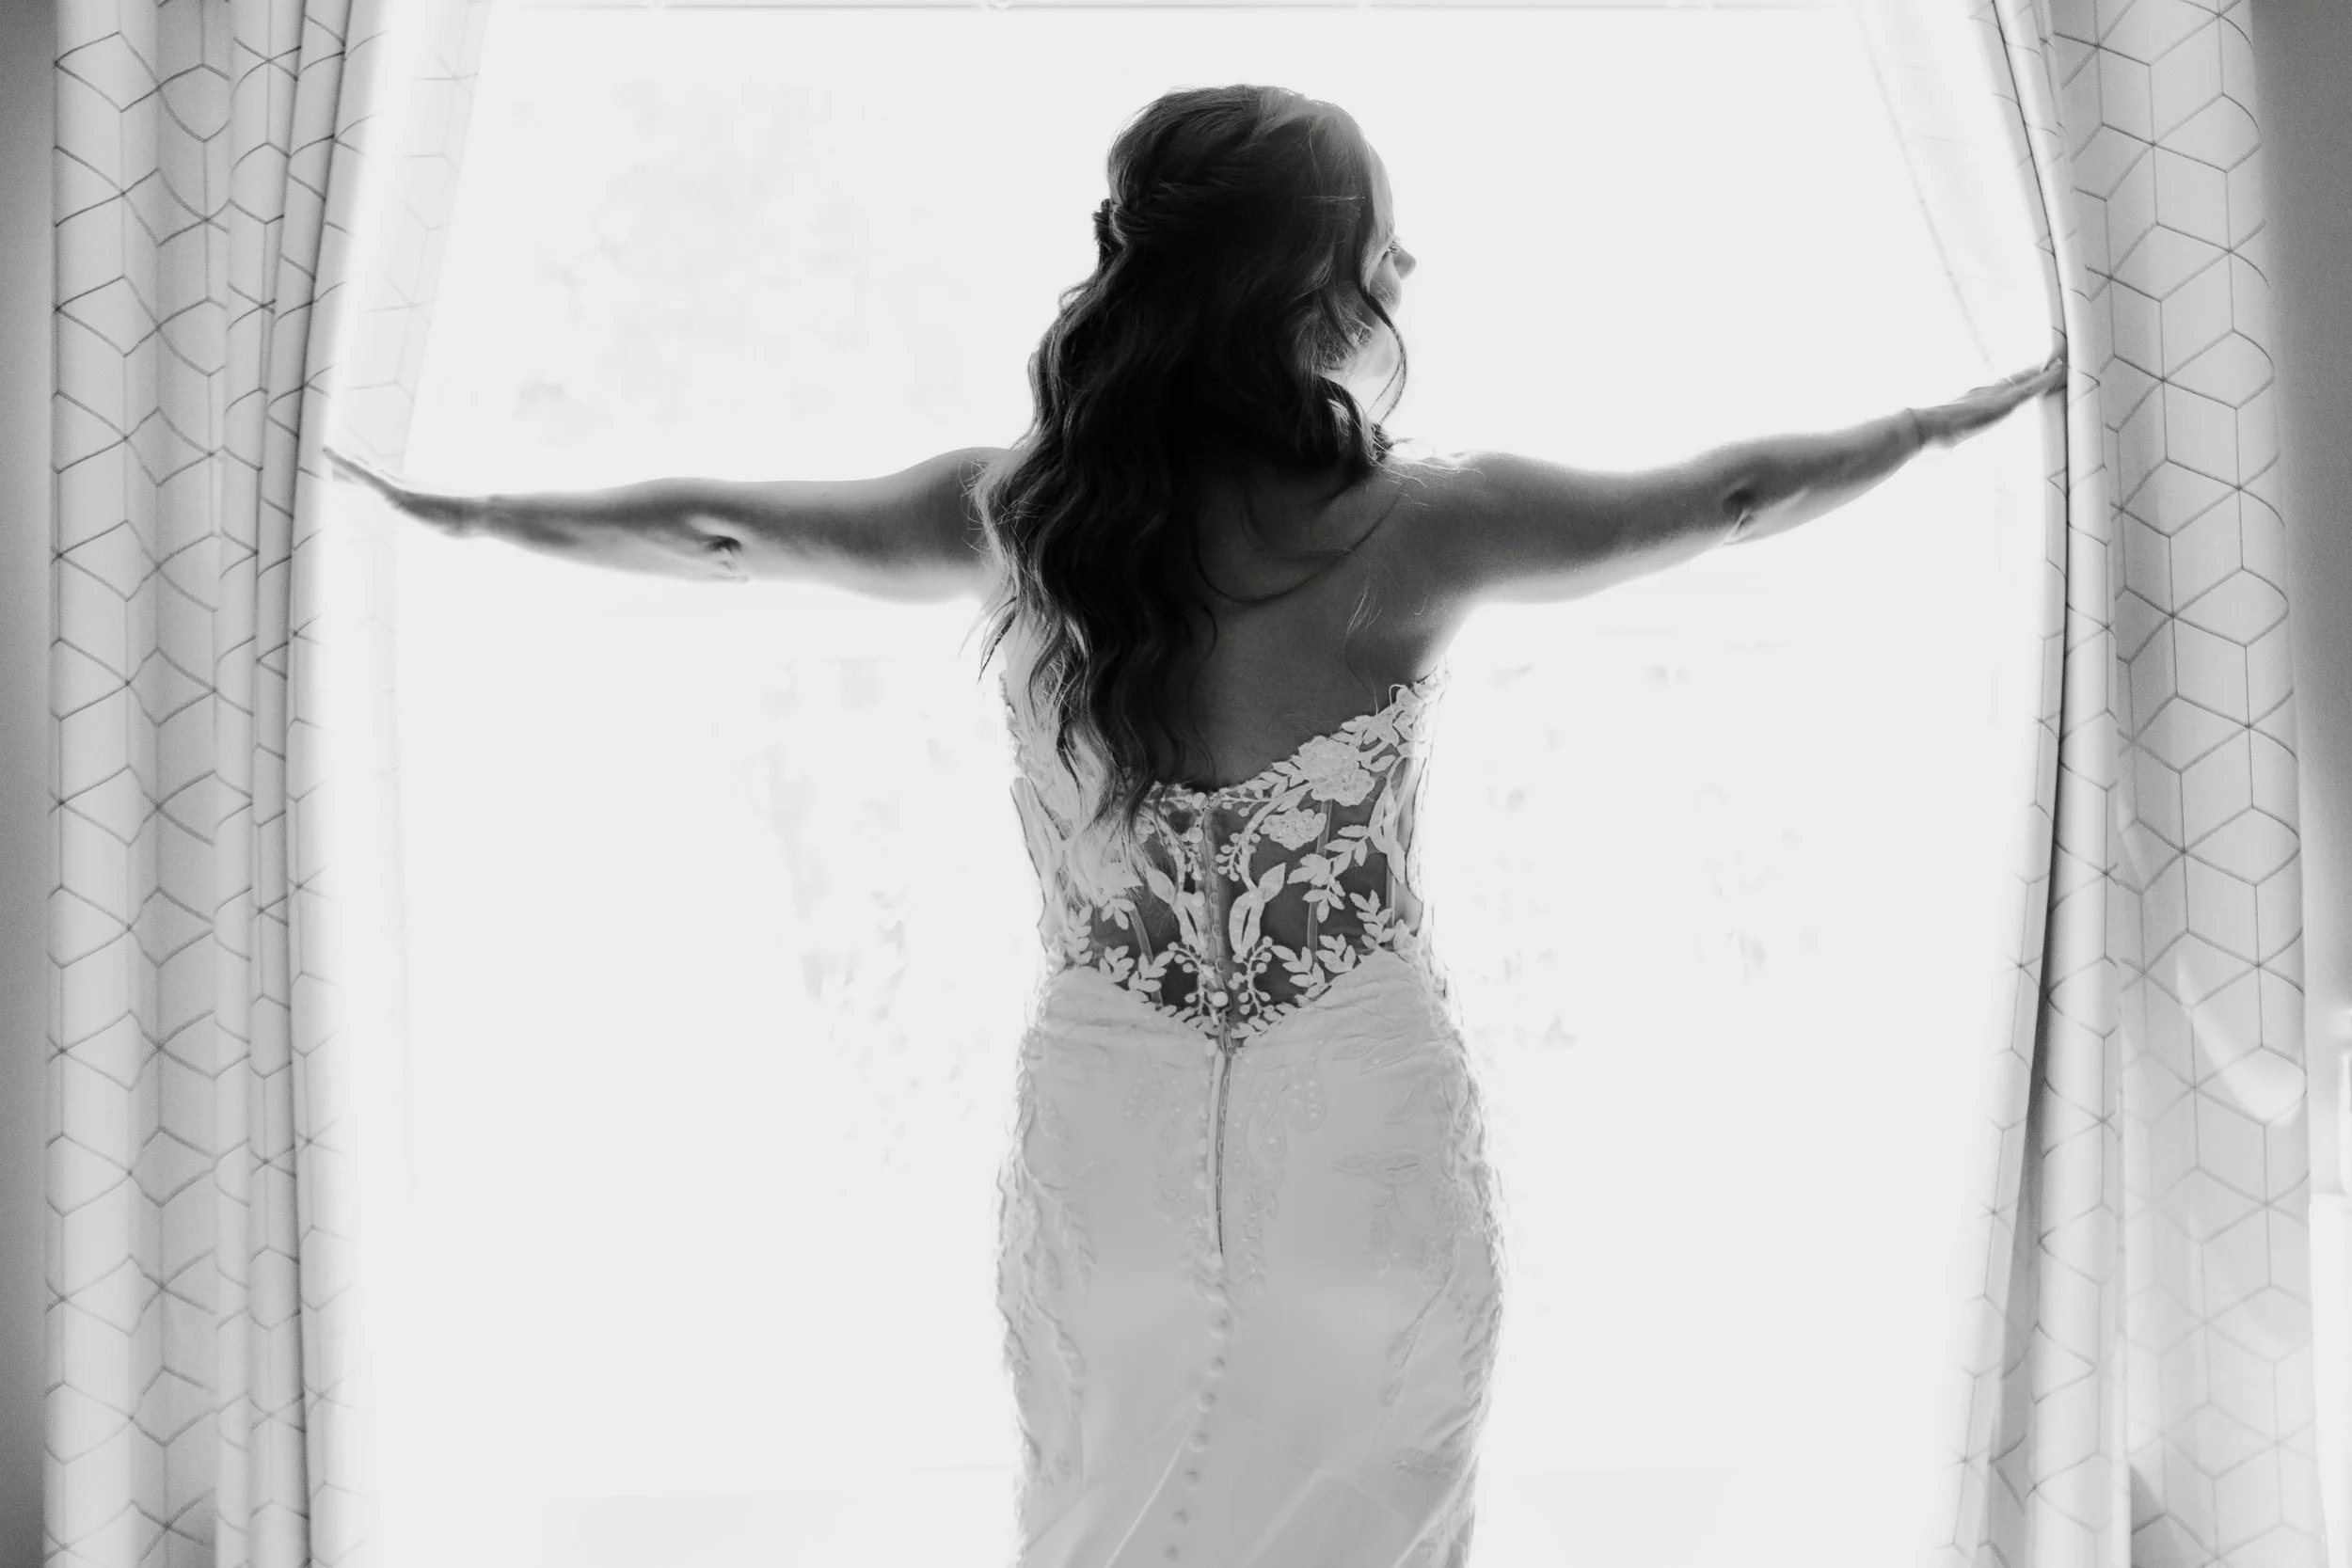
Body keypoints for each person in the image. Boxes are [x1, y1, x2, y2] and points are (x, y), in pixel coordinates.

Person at [327, 82, 2062, 1568]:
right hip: (1364, 1129)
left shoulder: (1027, 521)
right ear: (1308, 286)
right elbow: (1730, 498)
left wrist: (465, 510)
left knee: (1113, 1514)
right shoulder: (1425, 527)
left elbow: (722, 532)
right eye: (1384, 246)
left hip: (1116, 1143)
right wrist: (1943, 419)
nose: (1407, 274)